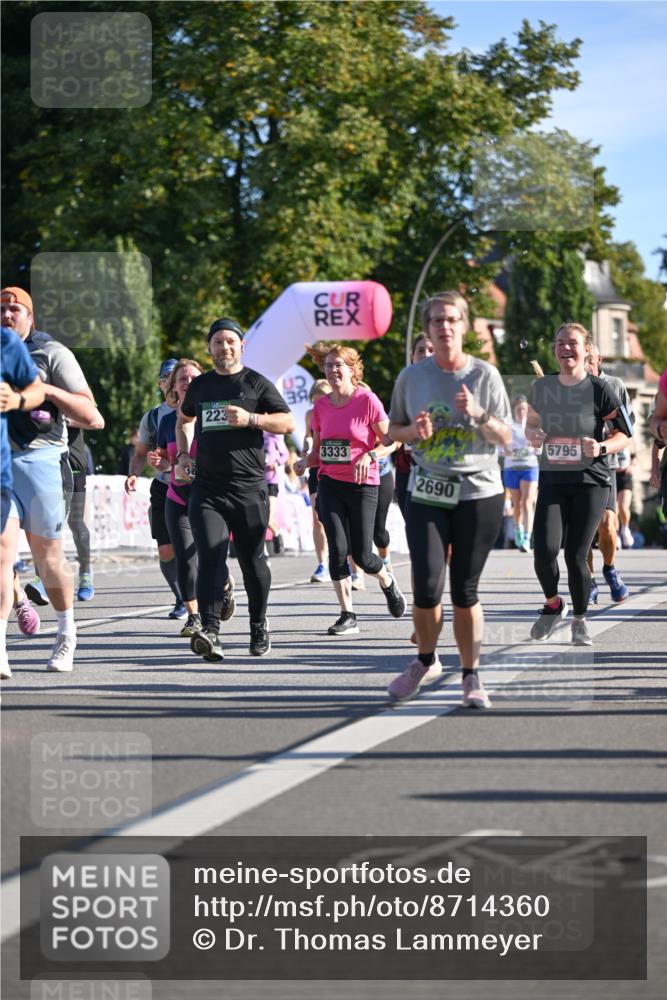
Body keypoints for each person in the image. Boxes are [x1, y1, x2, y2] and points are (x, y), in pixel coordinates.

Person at [387, 290, 511, 708]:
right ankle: (424, 661)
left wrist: (479, 414)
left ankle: (471, 675)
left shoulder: (485, 377)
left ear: (464, 326)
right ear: (427, 329)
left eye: (452, 319)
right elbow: (393, 432)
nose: (444, 327)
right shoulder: (412, 378)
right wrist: (412, 434)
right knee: (425, 584)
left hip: (478, 491)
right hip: (428, 488)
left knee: (464, 589)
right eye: (437, 320)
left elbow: (507, 438)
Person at [175, 317, 294, 660]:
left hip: (248, 488)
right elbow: (185, 419)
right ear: (209, 348)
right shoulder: (200, 387)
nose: (224, 347)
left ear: (242, 345)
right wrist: (183, 454)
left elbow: (286, 421)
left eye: (230, 341)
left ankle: (258, 624)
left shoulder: (255, 383)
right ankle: (211, 630)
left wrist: (252, 419)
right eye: (217, 342)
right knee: (210, 556)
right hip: (208, 488)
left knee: (251, 560)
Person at [2, 286, 104, 673]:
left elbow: (93, 416)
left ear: (31, 318)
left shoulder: (53, 354)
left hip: (43, 461)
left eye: (15, 309)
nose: (7, 314)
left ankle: (66, 633)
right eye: (1, 309)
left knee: (49, 560)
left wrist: (44, 390)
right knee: (2, 556)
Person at [526, 322, 631, 646]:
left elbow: (624, 435)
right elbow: (530, 429)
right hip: (554, 480)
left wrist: (600, 447)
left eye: (572, 343)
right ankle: (554, 603)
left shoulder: (600, 389)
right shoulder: (542, 388)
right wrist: (535, 436)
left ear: (587, 350)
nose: (565, 348)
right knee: (543, 552)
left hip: (592, 481)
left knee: (575, 555)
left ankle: (580, 621)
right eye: (560, 343)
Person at [303, 342, 406, 636]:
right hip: (330, 482)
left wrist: (369, 454)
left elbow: (392, 441)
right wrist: (304, 462)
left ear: (352, 369)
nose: (333, 370)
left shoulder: (367, 400)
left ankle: (386, 579)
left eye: (339, 365)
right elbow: (319, 452)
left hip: (363, 485)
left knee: (362, 555)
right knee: (338, 548)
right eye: (329, 365)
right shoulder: (320, 407)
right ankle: (347, 614)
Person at [124, 359, 186, 619]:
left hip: (194, 486)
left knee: (194, 545)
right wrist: (133, 474)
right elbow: (141, 452)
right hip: (163, 486)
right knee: (166, 549)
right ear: (161, 384)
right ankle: (182, 596)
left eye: (175, 378)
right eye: (165, 379)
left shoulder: (195, 409)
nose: (170, 384)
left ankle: (216, 584)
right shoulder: (152, 416)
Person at [1, 325, 46, 679]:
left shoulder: (6, 344)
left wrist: (16, 400)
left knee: (2, 561)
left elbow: (34, 390)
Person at [151, 358, 206, 638]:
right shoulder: (167, 421)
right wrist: (159, 462)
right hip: (178, 495)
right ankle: (194, 616)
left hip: (209, 498)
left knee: (209, 559)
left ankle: (224, 587)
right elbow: (165, 459)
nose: (188, 383)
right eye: (182, 379)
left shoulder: (211, 416)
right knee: (184, 557)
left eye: (194, 378)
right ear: (174, 387)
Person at [584, 345, 631, 604]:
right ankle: (588, 580)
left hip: (605, 464)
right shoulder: (567, 384)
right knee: (583, 532)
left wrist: (606, 438)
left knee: (608, 526)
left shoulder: (614, 384)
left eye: (590, 359)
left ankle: (610, 569)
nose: (586, 364)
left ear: (599, 359)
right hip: (573, 468)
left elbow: (627, 426)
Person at [297, 379, 333, 583]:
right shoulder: (310, 415)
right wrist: (306, 446)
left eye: (323, 401)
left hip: (337, 468)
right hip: (317, 467)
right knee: (317, 517)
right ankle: (322, 564)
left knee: (337, 518)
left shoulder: (338, 410)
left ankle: (346, 561)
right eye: (315, 402)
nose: (318, 406)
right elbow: (308, 436)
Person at [394, 333, 434, 517]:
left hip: (436, 468)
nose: (426, 354)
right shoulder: (403, 385)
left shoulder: (449, 385)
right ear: (412, 356)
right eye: (420, 350)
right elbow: (393, 428)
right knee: (411, 524)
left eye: (431, 350)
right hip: (406, 467)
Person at [501, 394, 539, 552]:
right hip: (512, 468)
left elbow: (540, 447)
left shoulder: (533, 424)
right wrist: (505, 450)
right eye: (519, 409)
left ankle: (526, 538)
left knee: (527, 502)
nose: (522, 412)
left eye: (524, 409)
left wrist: (535, 444)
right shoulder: (507, 423)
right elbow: (499, 445)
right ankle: (518, 531)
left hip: (529, 466)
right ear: (514, 409)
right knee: (517, 504)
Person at [66, 425, 94, 600]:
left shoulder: (74, 395)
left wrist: (61, 418)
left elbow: (95, 421)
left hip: (74, 465)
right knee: (46, 525)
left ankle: (85, 573)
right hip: (47, 465)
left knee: (75, 522)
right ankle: (43, 580)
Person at [264, 431, 289, 555]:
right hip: (255, 481)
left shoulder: (273, 435)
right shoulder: (251, 434)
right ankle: (263, 554)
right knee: (256, 518)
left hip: (270, 481)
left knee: (267, 517)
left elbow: (285, 454)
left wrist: (276, 462)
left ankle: (276, 532)